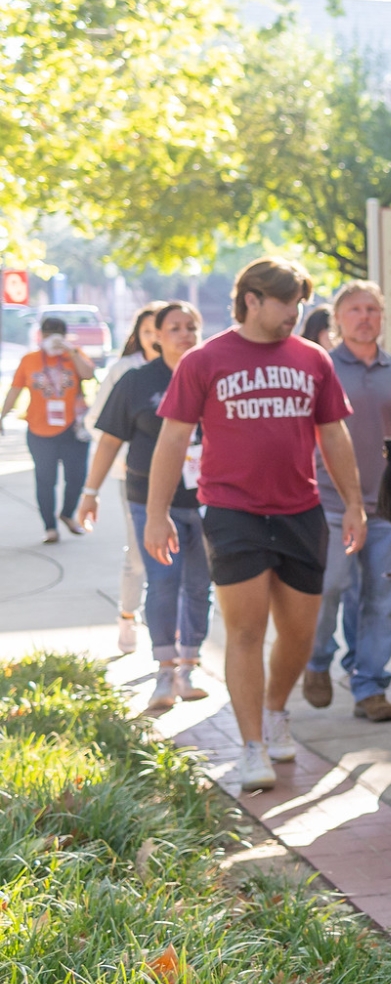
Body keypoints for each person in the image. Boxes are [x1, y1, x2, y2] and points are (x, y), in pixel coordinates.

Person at [148, 257, 365, 793]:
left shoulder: (313, 359)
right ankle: (251, 747)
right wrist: (156, 514)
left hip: (300, 511)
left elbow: (334, 435)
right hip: (233, 511)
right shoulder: (205, 360)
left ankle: (275, 711)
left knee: (299, 633)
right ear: (253, 300)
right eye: (288, 302)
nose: (297, 312)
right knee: (245, 631)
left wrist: (355, 504)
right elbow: (173, 439)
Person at [79, 301, 212, 712]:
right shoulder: (137, 381)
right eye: (175, 327)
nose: (185, 334)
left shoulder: (212, 377)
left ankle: (190, 664)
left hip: (207, 499)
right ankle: (165, 671)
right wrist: (90, 492)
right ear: (155, 335)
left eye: (192, 326)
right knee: (163, 581)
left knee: (199, 585)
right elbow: (110, 441)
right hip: (150, 501)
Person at [300, 282, 391, 722]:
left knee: (382, 600)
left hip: (390, 507)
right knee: (329, 588)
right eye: (354, 309)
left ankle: (370, 685)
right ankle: (317, 660)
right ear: (338, 318)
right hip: (330, 503)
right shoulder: (319, 367)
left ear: (383, 316)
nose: (365, 317)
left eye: (373, 308)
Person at [88, 302, 165, 652]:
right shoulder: (126, 372)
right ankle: (128, 616)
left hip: (185, 482)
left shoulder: (185, 369)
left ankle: (167, 634)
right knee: (138, 554)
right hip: (133, 477)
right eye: (148, 332)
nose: (155, 338)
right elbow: (99, 424)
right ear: (140, 335)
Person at [4, 315, 97, 543]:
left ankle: (67, 513)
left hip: (73, 429)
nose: (53, 339)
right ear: (41, 335)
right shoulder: (30, 359)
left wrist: (71, 351)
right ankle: (50, 527)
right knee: (45, 480)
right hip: (39, 429)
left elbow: (88, 374)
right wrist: (3, 414)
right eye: (48, 334)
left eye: (58, 334)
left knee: (76, 478)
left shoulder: (73, 356)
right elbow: (15, 389)